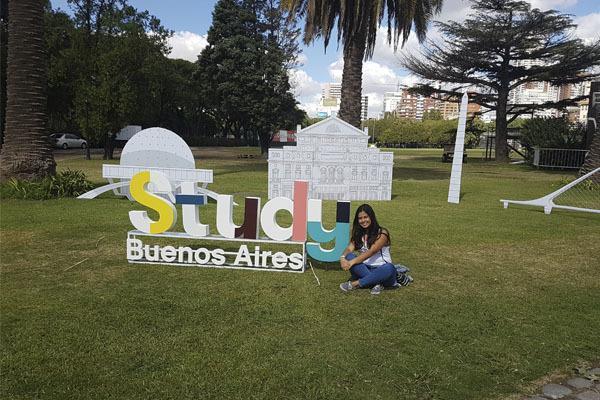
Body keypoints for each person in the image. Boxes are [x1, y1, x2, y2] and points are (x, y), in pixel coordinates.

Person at [339, 204, 400, 295]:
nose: (363, 220)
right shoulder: (358, 233)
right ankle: (376, 282)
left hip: (382, 269)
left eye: (366, 217)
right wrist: (342, 257)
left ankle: (356, 283)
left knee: (390, 268)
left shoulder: (382, 233)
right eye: (360, 218)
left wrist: (352, 262)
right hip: (365, 269)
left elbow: (372, 251)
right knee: (349, 256)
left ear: (371, 217)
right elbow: (349, 248)